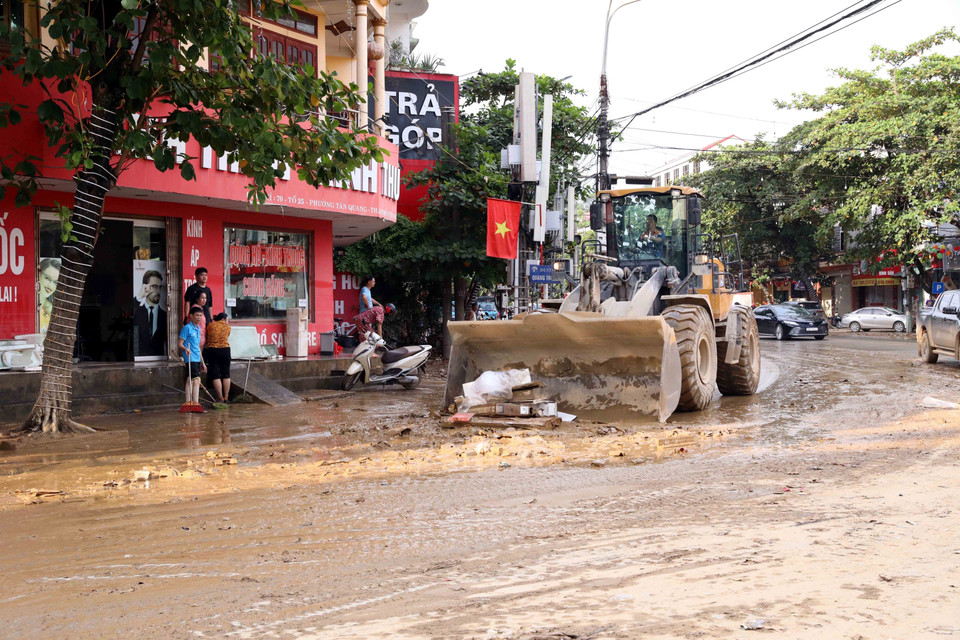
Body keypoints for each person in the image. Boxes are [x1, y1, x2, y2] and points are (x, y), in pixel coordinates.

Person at [178, 306, 207, 411]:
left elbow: (198, 347)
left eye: (200, 316)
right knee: (196, 380)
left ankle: (190, 403)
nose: (199, 318)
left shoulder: (198, 329)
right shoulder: (187, 328)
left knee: (190, 380)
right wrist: (185, 349)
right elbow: (180, 343)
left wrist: (203, 363)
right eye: (197, 315)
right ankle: (195, 403)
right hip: (190, 357)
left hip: (197, 358)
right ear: (191, 316)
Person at [133, 269, 167, 356]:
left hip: (160, 361)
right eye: (155, 287)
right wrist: (140, 296)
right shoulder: (138, 312)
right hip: (140, 360)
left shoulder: (165, 315)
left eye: (160, 287)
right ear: (145, 287)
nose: (158, 291)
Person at [204, 312, 232, 402]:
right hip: (225, 350)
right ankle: (226, 396)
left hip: (213, 350)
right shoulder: (228, 327)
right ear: (223, 319)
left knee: (215, 374)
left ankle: (220, 397)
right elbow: (226, 336)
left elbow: (207, 335)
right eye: (227, 320)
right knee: (226, 374)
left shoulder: (210, 325)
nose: (228, 322)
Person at [38, 257, 61, 333]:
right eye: (47, 278)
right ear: (38, 274)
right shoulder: (27, 308)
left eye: (55, 282)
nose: (50, 286)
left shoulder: (51, 311)